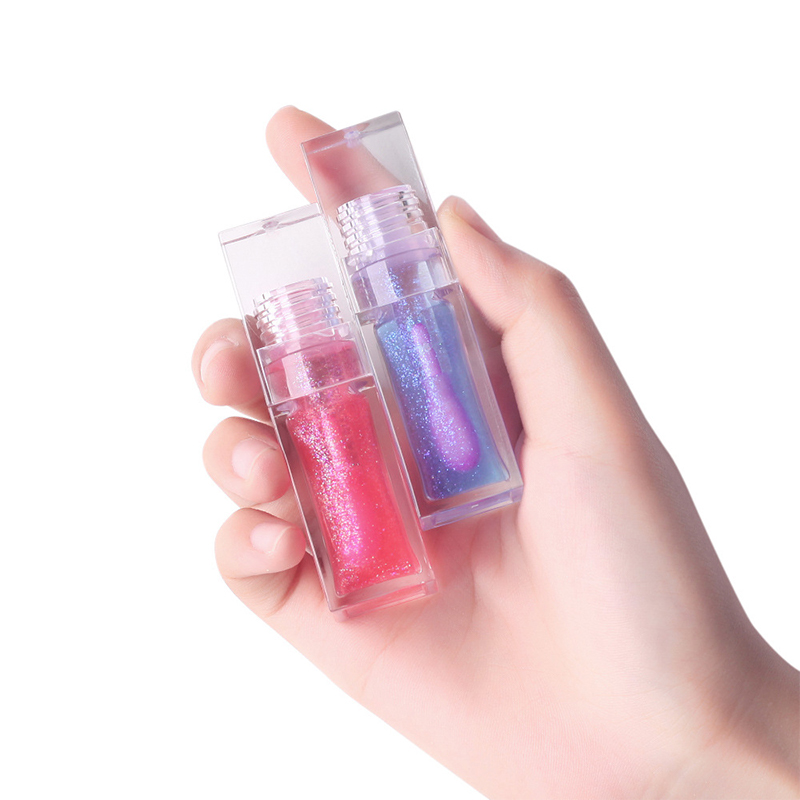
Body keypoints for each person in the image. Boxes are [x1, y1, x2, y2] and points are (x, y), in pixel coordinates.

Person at [192, 107, 800, 799]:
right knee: (321, 460)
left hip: (497, 508)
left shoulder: (411, 274)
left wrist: (715, 730)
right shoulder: (313, 348)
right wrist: (708, 747)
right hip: (401, 579)